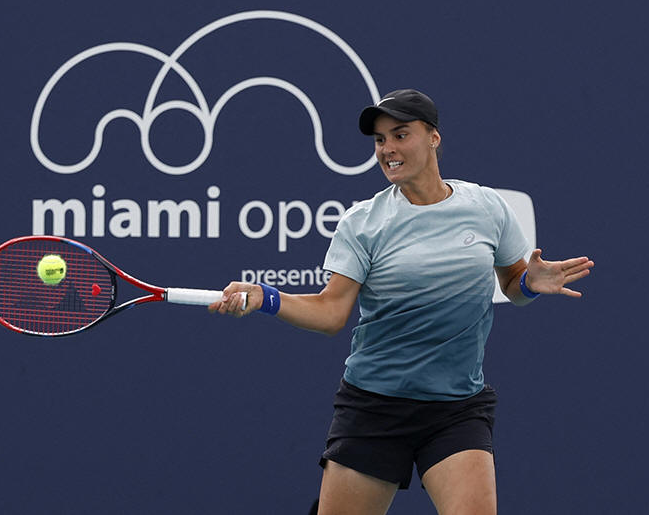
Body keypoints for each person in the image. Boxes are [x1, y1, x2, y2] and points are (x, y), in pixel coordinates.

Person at [209, 89, 594, 515]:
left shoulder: (487, 207)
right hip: (374, 408)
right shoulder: (362, 223)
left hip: (456, 408)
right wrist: (267, 297)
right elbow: (331, 312)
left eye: (400, 134)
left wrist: (528, 284)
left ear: (434, 137)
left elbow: (512, 286)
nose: (387, 149)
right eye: (380, 140)